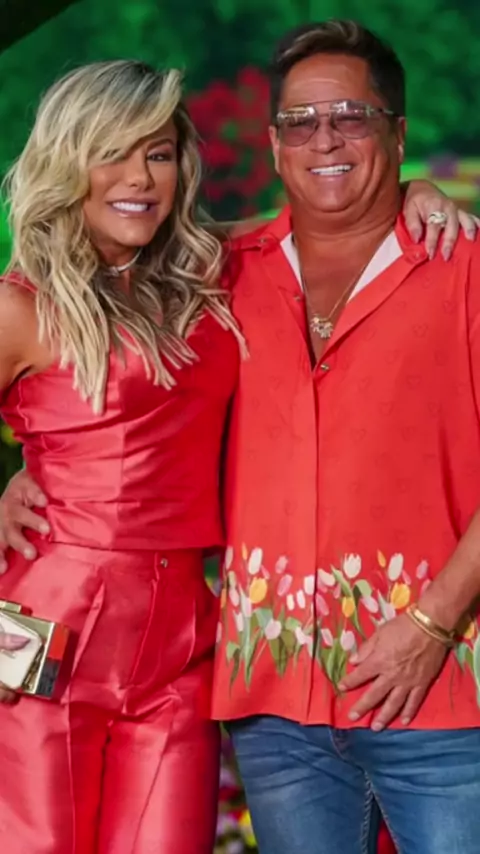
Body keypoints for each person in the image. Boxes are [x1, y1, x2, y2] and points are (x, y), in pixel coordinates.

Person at [0, 46, 476, 854]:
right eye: (110, 152)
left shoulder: (204, 278)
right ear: (65, 160)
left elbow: (330, 212)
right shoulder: (20, 307)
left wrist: (412, 195)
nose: (138, 178)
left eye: (157, 154)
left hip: (186, 650)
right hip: (49, 633)